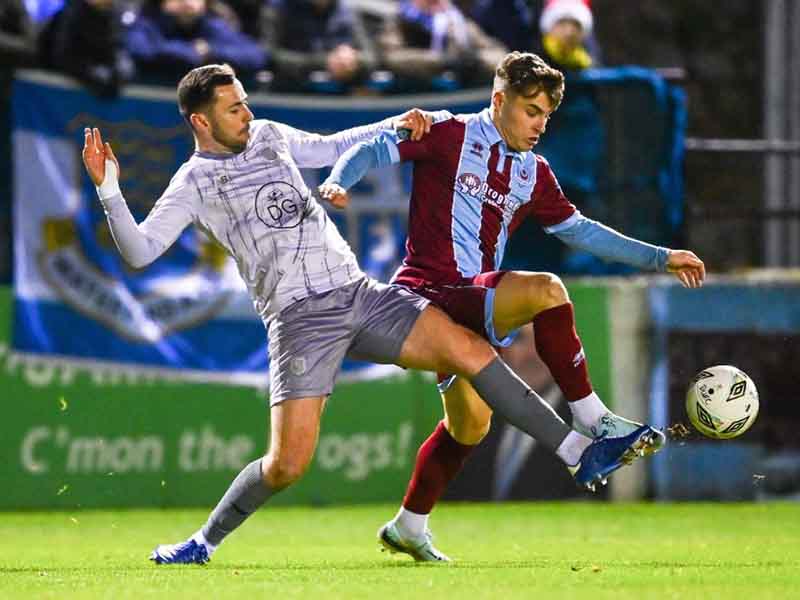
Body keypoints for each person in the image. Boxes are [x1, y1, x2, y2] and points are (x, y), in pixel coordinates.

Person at [82, 63, 657, 565]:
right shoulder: (192, 183)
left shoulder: (269, 136)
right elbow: (138, 251)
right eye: (234, 108)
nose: (247, 113)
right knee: (286, 466)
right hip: (299, 320)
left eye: (246, 102)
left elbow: (335, 146)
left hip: (358, 293)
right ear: (200, 122)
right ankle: (203, 542)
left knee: (471, 351)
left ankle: (576, 450)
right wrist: (110, 190)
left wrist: (399, 127)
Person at [319, 50, 706, 562]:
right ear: (499, 100)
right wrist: (338, 181)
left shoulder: (535, 172)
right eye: (531, 110)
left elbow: (583, 232)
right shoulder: (447, 133)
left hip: (464, 300)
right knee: (547, 289)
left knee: (470, 427)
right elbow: (374, 149)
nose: (540, 124)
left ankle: (408, 526)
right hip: (427, 291)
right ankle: (595, 420)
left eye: (547, 114)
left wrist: (661, 257)